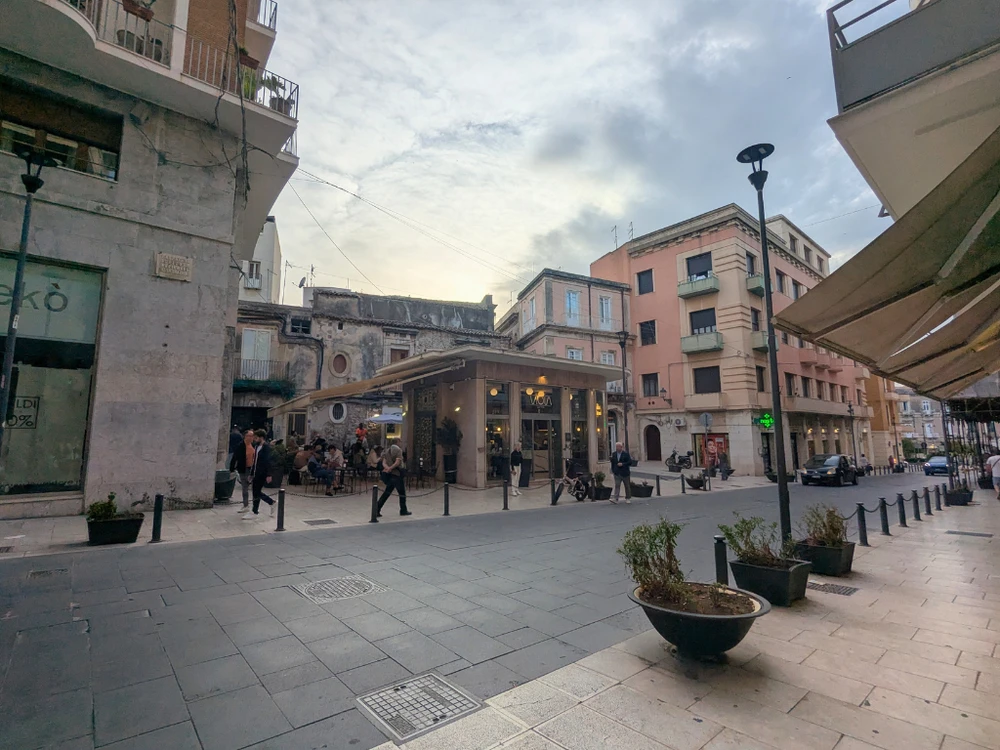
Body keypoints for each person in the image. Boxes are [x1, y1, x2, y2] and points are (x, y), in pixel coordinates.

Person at [243, 429, 275, 519]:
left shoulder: (266, 448)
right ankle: (268, 503)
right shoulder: (257, 447)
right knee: (255, 491)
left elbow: (268, 461)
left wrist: (269, 474)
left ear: (261, 437)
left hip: (262, 472)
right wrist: (251, 473)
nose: (255, 439)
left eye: (256, 437)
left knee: (256, 491)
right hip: (256, 472)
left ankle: (256, 510)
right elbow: (255, 461)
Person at [377, 438, 410, 517]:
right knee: (402, 493)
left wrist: (388, 468)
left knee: (387, 492)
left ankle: (377, 509)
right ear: (397, 442)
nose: (401, 443)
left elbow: (384, 462)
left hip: (390, 474)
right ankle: (403, 510)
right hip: (397, 474)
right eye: (400, 441)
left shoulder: (387, 450)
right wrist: (391, 468)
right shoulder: (398, 450)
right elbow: (397, 462)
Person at [229, 429, 255, 511]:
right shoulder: (240, 446)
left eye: (252, 436)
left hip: (253, 468)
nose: (251, 438)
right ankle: (245, 505)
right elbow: (235, 457)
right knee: (245, 487)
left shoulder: (254, 445)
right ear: (245, 436)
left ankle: (256, 504)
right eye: (249, 436)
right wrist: (232, 468)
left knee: (255, 488)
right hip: (244, 468)